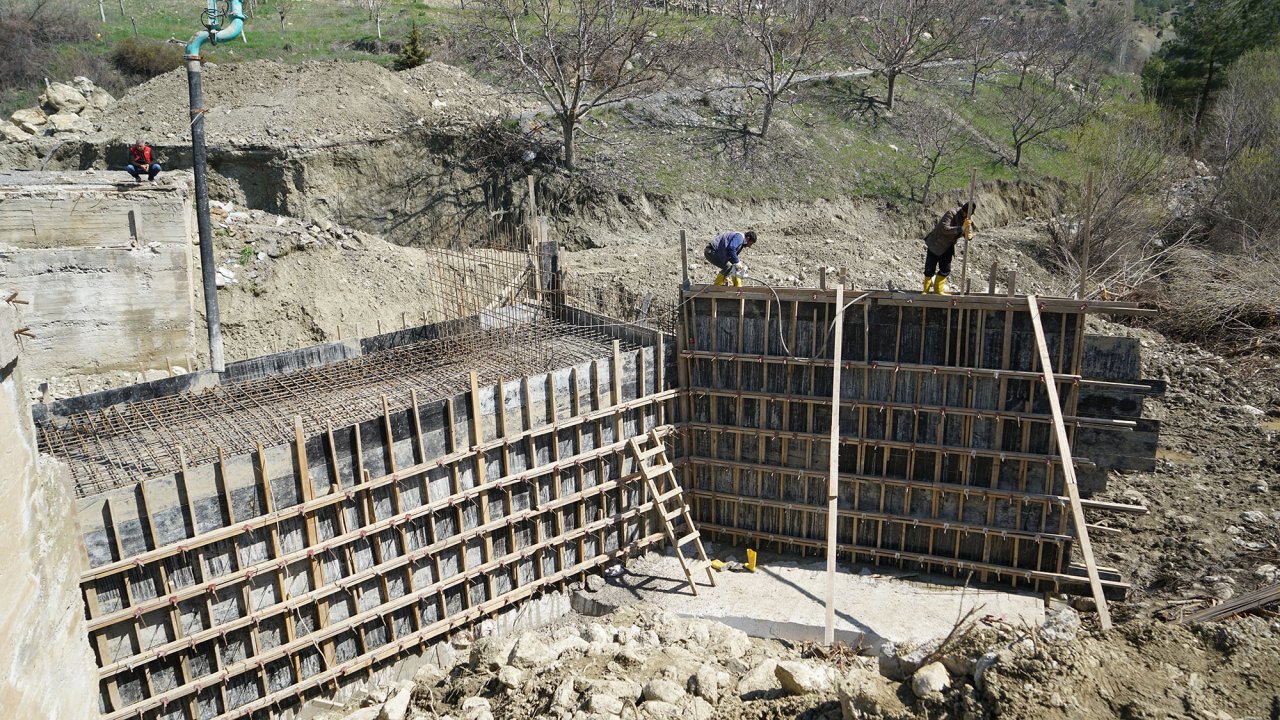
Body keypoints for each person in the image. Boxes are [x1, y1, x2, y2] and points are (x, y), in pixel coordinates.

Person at [921, 201, 975, 295]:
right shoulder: (951, 213)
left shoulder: (966, 219)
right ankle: (925, 290)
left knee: (945, 269)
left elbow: (968, 230)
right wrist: (961, 228)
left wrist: (969, 235)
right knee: (930, 268)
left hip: (948, 246)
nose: (967, 216)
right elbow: (944, 228)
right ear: (963, 211)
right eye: (966, 214)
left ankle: (938, 290)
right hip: (936, 243)